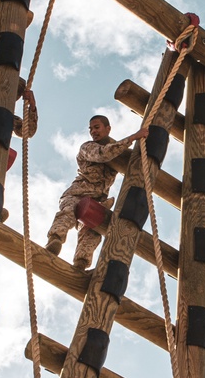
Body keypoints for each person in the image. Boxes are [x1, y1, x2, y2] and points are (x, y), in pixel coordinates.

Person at [46, 115, 148, 271]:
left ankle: (81, 261)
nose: (93, 131)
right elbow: (103, 154)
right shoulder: (87, 147)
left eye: (97, 127)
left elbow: (123, 159)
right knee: (68, 212)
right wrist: (133, 137)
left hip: (97, 200)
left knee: (93, 230)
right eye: (91, 129)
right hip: (78, 193)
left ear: (108, 129)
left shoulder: (116, 152)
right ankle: (55, 239)